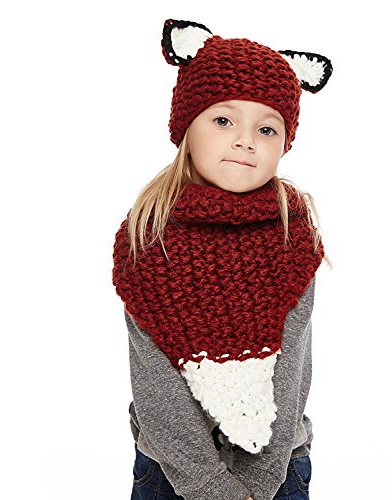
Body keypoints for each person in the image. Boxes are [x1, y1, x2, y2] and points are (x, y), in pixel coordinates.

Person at [112, 18, 333, 500]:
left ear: (284, 144)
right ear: (186, 128)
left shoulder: (293, 235)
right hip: (173, 472)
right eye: (223, 120)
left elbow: (291, 373)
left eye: (267, 128)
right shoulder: (149, 234)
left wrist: (257, 483)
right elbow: (156, 384)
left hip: (277, 471)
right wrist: (211, 487)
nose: (245, 140)